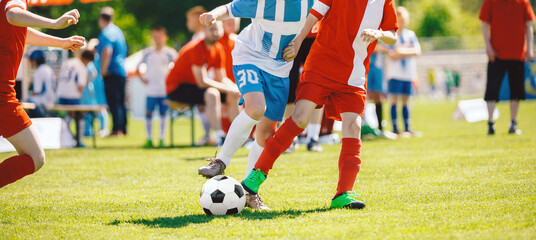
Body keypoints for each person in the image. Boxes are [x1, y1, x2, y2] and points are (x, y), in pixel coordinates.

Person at [241, 0, 398, 209]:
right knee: (299, 119)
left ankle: (343, 194)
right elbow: (314, 14)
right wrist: (298, 41)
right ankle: (256, 176)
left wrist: (379, 34)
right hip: (321, 65)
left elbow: (393, 35)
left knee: (354, 127)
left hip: (354, 75)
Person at [197, 0, 315, 210]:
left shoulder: (312, 3)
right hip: (249, 56)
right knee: (255, 107)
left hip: (280, 69)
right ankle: (221, 161)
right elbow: (229, 9)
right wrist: (212, 15)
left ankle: (250, 192)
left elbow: (327, 19)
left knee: (266, 134)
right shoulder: (263, 2)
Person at [0, 0, 84, 189]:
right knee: (34, 156)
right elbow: (13, 16)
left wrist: (61, 42)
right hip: (2, 97)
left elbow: (18, 28)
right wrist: (54, 23)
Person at [165, 22, 240, 146]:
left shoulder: (218, 48)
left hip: (195, 86)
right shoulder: (196, 48)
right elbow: (202, 82)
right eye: (211, 30)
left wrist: (235, 88)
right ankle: (219, 137)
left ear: (222, 31)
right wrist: (229, 89)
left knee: (232, 94)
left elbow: (222, 78)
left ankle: (238, 137)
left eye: (217, 29)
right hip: (177, 88)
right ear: (204, 31)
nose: (215, 33)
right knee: (212, 93)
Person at [479, 0, 535, 135]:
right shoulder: (491, 1)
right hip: (496, 54)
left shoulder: (522, 2)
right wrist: (488, 47)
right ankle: (491, 123)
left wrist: (529, 48)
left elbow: (529, 25)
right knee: (491, 90)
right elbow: (484, 24)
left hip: (517, 54)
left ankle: (513, 123)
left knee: (516, 91)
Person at [138, 26, 177, 148]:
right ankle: (149, 139)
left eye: (159, 36)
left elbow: (177, 68)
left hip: (164, 90)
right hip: (151, 90)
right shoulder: (147, 52)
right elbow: (139, 67)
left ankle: (161, 138)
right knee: (148, 114)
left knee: (163, 114)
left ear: (165, 37)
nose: (157, 39)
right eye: (155, 37)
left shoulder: (170, 53)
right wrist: (142, 77)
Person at [385, 7, 421, 136]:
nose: (401, 23)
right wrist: (407, 51)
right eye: (399, 20)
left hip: (408, 74)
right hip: (394, 73)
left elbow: (417, 51)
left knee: (406, 100)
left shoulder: (410, 35)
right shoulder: (391, 35)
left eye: (403, 20)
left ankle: (407, 127)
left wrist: (401, 51)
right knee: (394, 100)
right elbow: (391, 54)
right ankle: (395, 128)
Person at [96, 7, 128, 136]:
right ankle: (123, 128)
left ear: (102, 19)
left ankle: (116, 130)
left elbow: (107, 51)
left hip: (112, 72)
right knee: (121, 102)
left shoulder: (106, 33)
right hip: (121, 71)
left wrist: (103, 71)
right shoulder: (118, 31)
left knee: (113, 102)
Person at [56, 49, 95, 147]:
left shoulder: (68, 62)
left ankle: (66, 138)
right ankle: (78, 141)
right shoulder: (81, 66)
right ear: (87, 60)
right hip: (72, 95)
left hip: (61, 93)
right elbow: (80, 86)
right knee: (79, 118)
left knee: (67, 117)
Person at [27, 50, 56, 118]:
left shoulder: (39, 71)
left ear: (34, 60)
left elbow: (37, 92)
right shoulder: (48, 68)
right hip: (50, 100)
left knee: (26, 101)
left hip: (42, 102)